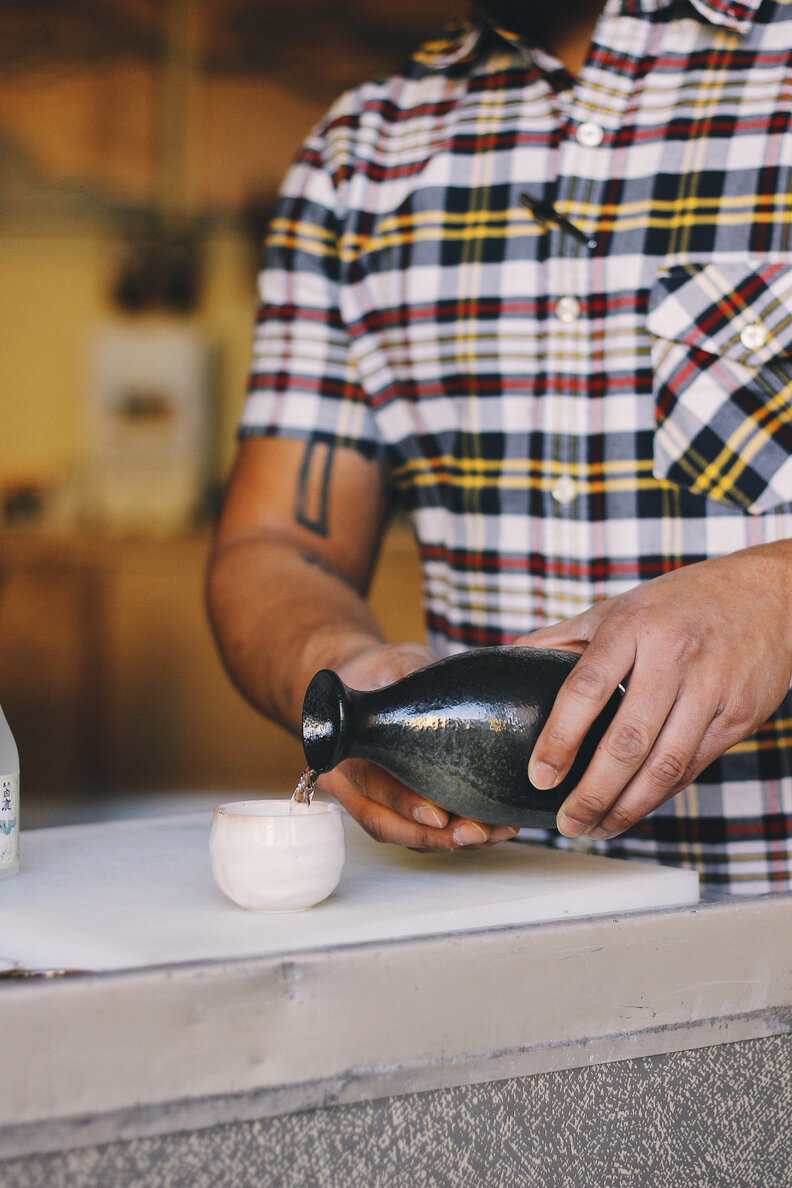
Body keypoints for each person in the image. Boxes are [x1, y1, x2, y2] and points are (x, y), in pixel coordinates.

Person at [207, 0, 792, 893]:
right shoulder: (361, 156)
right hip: (488, 925)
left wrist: (778, 599)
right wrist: (351, 678)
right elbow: (277, 546)